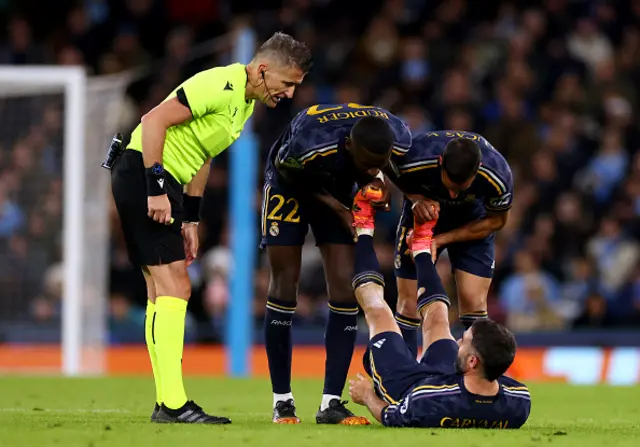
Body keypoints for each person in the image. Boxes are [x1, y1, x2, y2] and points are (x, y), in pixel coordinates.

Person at [111, 32, 311, 424]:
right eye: (287, 83)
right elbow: (153, 121)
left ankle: (166, 401)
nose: (289, 94)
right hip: (146, 173)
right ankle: (172, 404)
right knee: (177, 287)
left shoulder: (245, 105)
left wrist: (191, 217)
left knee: (160, 290)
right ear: (263, 69)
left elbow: (203, 155)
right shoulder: (220, 83)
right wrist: (155, 189)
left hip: (161, 181)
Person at [261, 103, 412, 424]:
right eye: (367, 164)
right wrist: (339, 209)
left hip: (340, 186)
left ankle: (331, 403)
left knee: (345, 289)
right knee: (285, 283)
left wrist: (380, 182)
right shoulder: (309, 143)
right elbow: (287, 170)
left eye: (378, 164)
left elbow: (386, 170)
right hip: (289, 184)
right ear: (347, 146)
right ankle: (282, 401)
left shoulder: (397, 135)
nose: (372, 170)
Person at [346, 187, 530, 428]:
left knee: (378, 310)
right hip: (454, 378)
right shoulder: (517, 400)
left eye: (464, 340)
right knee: (438, 318)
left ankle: (363, 225)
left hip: (407, 385)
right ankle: (422, 246)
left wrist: (367, 395)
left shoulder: (427, 401)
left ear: (474, 362)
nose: (459, 341)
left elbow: (392, 416)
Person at [385, 131, 513, 359]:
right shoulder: (414, 154)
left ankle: (474, 382)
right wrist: (414, 197)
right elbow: (386, 163)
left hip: (472, 222)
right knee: (408, 303)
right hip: (422, 213)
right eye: (449, 184)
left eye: (460, 188)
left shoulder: (498, 173)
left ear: (478, 171)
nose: (453, 194)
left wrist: (442, 239)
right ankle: (405, 380)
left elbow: (497, 221)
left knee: (474, 302)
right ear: (440, 162)